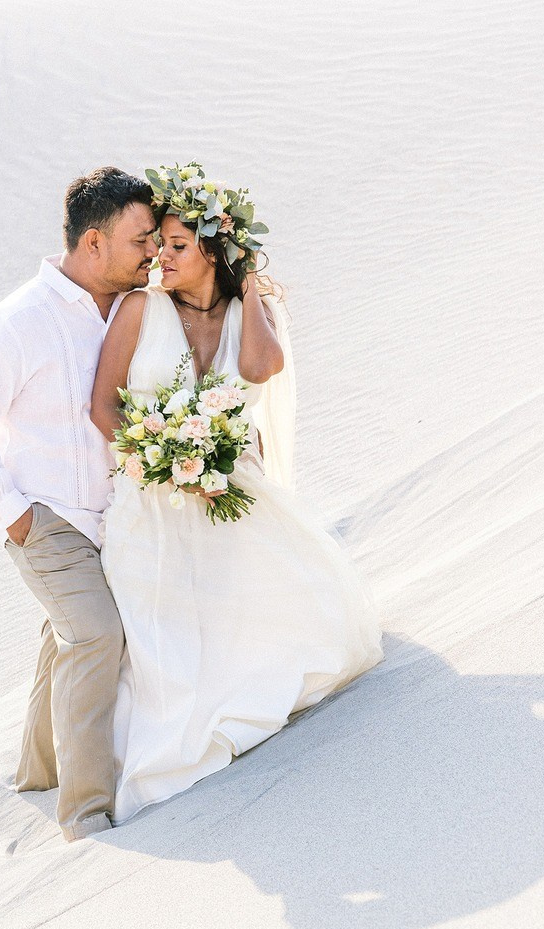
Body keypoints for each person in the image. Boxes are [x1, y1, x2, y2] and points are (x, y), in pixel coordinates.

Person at [91, 163, 382, 822]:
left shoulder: (250, 313)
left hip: (229, 488)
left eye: (179, 245)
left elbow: (259, 367)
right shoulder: (141, 308)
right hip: (149, 495)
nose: (162, 256)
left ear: (215, 251)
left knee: (274, 607)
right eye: (160, 243)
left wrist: (249, 288)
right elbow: (103, 403)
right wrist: (153, 461)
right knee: (160, 630)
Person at [0, 167, 158, 840]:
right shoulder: (19, 322)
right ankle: (85, 815)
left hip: (108, 519)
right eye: (138, 238)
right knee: (95, 633)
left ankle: (37, 771)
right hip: (47, 517)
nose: (151, 250)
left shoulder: (124, 308)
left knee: (64, 632)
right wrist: (14, 515)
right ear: (94, 243)